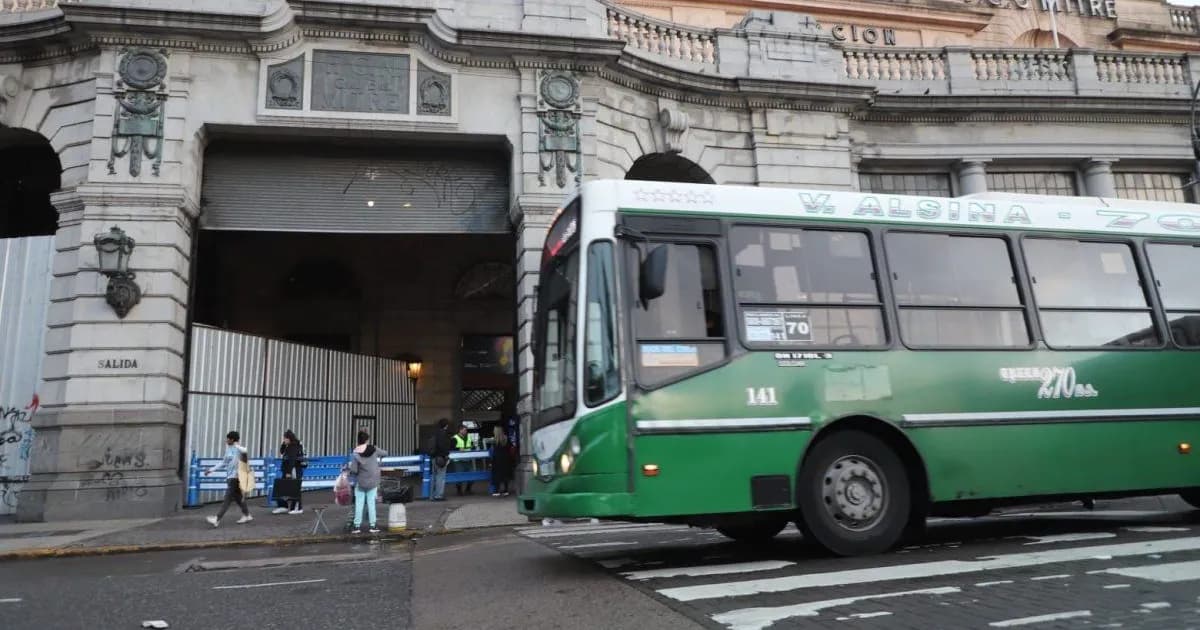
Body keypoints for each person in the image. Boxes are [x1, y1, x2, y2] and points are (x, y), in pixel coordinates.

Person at [344, 430, 388, 534]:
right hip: (373, 481)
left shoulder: (355, 453)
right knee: (371, 504)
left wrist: (349, 470)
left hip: (361, 482)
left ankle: (356, 526)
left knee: (359, 504)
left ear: (358, 440)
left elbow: (354, 470)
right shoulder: (374, 449)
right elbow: (385, 453)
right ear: (367, 440)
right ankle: (373, 526)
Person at [205, 431, 252, 527]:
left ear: (232, 439)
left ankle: (217, 519)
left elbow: (245, 451)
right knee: (238, 498)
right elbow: (223, 462)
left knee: (227, 498)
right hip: (230, 477)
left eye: (228, 439)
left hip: (236, 477)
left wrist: (236, 445)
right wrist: (211, 470)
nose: (226, 440)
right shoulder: (228, 449)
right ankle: (247, 515)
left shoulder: (239, 449)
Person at [273, 429, 305, 515]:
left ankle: (298, 507)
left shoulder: (294, 446)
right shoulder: (288, 446)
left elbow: (292, 460)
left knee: (294, 488)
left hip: (293, 470)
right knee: (281, 487)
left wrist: (289, 472)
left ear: (289, 438)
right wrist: (284, 444)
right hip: (286, 469)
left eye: (285, 438)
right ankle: (283, 506)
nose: (284, 440)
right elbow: (281, 451)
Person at [429, 418, 452, 502]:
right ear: (446, 425)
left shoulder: (435, 433)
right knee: (440, 476)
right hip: (441, 458)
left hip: (433, 457)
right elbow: (442, 446)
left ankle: (432, 495)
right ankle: (438, 495)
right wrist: (446, 455)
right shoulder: (443, 434)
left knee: (434, 476)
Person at [490, 426, 515, 497]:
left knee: (496, 475)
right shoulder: (506, 439)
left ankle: (497, 491)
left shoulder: (494, 440)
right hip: (506, 459)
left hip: (497, 459)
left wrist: (491, 461)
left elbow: (493, 450)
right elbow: (511, 447)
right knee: (505, 475)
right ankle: (506, 490)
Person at [453, 424, 474, 496]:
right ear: (460, 430)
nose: (466, 431)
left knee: (472, 474)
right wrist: (458, 449)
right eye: (464, 430)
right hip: (458, 460)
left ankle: (468, 489)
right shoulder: (454, 438)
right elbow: (451, 448)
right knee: (459, 475)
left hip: (468, 459)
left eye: (466, 430)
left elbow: (472, 445)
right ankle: (459, 490)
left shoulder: (469, 437)